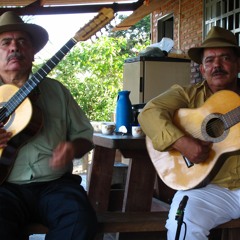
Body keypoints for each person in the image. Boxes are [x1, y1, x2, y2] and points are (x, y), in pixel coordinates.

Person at [0, 11, 98, 240]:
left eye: (22, 41)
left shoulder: (56, 91)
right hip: (4, 187)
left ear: (33, 53)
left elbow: (85, 137)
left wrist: (73, 149)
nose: (15, 47)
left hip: (55, 185)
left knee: (80, 222)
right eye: (6, 42)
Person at [138, 26, 240, 240]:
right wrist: (182, 142)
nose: (217, 66)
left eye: (225, 58)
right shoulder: (186, 94)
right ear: (202, 69)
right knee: (183, 220)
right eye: (209, 61)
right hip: (209, 189)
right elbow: (149, 113)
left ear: (238, 64)